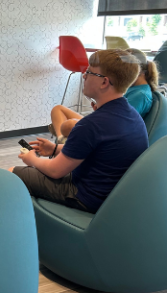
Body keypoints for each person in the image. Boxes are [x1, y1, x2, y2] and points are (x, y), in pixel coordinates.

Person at [10, 49, 148, 214]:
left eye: (89, 72)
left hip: (86, 196)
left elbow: (55, 170)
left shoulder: (91, 125)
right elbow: (100, 151)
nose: (84, 76)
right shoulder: (132, 116)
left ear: (104, 82)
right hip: (110, 194)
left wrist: (32, 159)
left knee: (12, 175)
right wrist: (55, 149)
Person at [49, 48, 159, 141]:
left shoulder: (140, 95)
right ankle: (61, 141)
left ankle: (62, 145)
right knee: (58, 109)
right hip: (105, 122)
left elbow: (120, 123)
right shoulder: (136, 89)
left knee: (68, 125)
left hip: (107, 129)